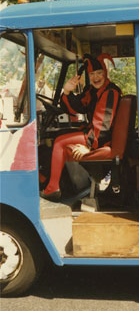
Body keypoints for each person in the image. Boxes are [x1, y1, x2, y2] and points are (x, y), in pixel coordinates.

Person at [40, 53, 121, 202]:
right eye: (92, 74)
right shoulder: (93, 91)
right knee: (58, 135)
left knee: (59, 142)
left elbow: (104, 126)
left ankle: (52, 188)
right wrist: (67, 91)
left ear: (105, 73)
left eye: (99, 73)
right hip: (95, 133)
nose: (96, 77)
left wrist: (89, 147)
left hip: (102, 138)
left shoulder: (110, 92)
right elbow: (78, 107)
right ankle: (47, 178)